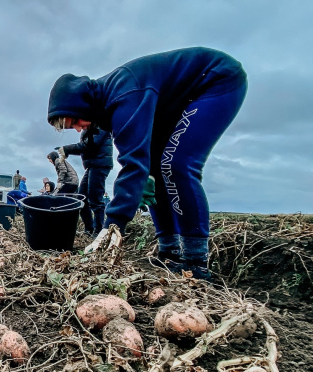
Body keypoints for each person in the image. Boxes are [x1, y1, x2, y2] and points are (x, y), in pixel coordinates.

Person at [48, 47, 248, 279]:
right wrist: (145, 174)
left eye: (75, 120)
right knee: (152, 174)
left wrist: (111, 226)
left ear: (81, 102)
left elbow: (133, 163)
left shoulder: (124, 94)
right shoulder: (105, 111)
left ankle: (195, 261)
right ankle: (169, 250)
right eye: (70, 127)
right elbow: (141, 164)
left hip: (215, 80)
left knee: (177, 164)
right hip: (169, 104)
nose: (79, 127)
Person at [56, 127, 114, 236]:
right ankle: (90, 229)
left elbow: (90, 145)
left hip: (100, 164)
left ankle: (99, 230)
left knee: (95, 198)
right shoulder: (90, 127)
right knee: (82, 198)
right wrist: (68, 151)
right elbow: (86, 146)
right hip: (92, 165)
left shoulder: (99, 126)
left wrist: (68, 149)